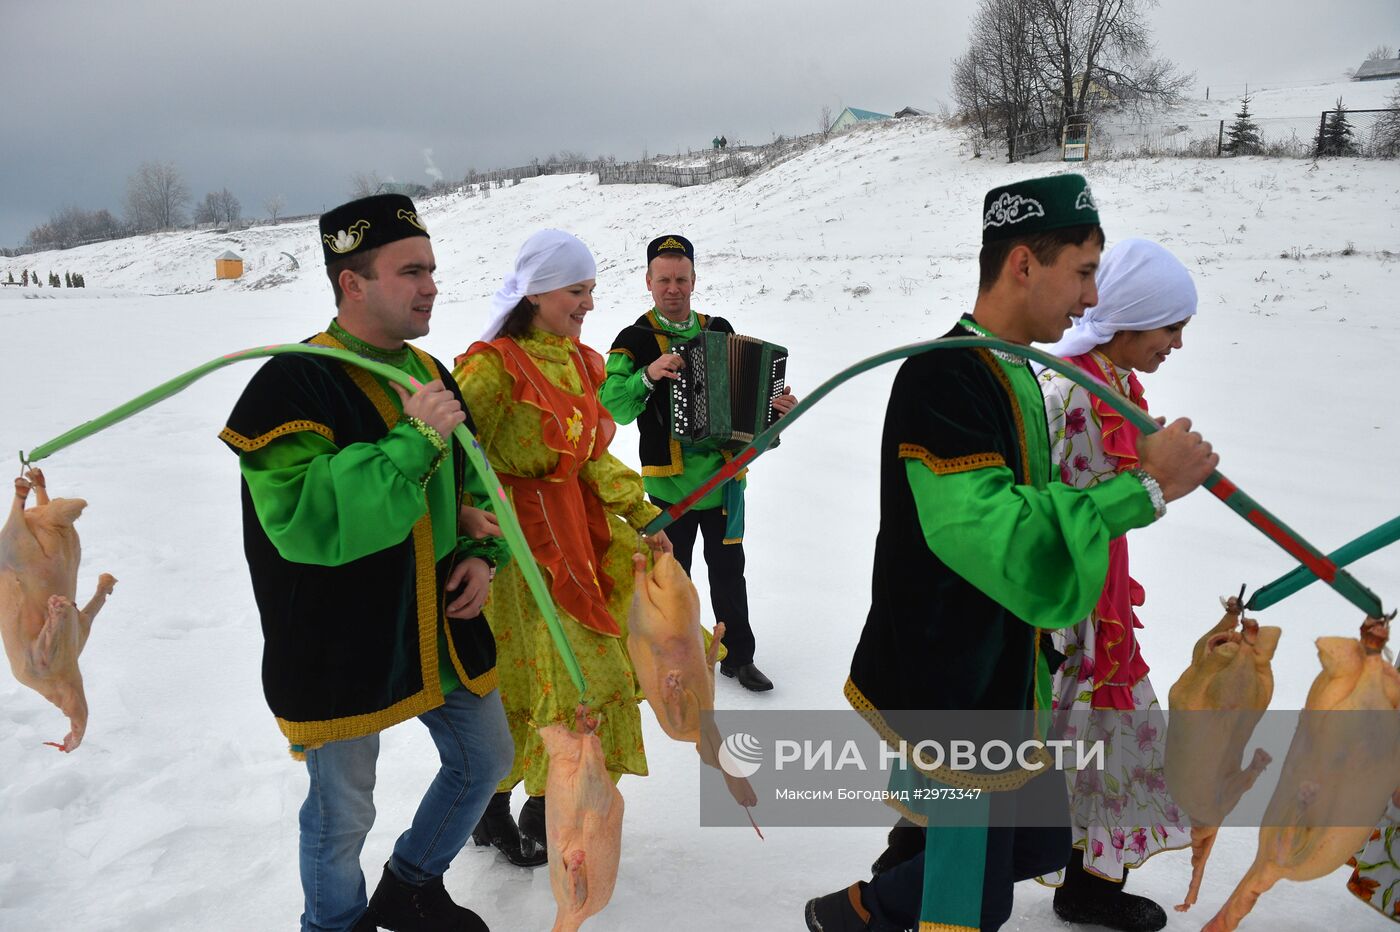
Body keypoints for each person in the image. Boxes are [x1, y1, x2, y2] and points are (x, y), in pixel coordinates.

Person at [802, 175, 1218, 932]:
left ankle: (862, 910)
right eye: (1084, 272)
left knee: (999, 851)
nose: (1093, 299)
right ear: (1025, 264)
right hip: (955, 676)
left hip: (1000, 668)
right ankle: (856, 913)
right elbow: (993, 535)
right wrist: (1144, 488)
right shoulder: (944, 374)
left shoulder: (1016, 371)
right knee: (971, 894)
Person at [220, 194, 513, 932]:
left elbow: (477, 480)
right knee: (344, 809)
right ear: (352, 283)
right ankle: (335, 924)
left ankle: (412, 883)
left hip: (436, 621)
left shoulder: (428, 369)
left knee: (486, 759)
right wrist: (412, 444)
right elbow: (304, 521)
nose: (431, 285)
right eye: (411, 271)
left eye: (433, 270)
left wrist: (481, 551)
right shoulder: (293, 382)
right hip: (342, 639)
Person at [453, 229, 672, 869]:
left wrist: (641, 511)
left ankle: (545, 805)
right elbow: (455, 462)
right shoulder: (491, 367)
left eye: (592, 291)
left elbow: (587, 459)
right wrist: (470, 533)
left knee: (590, 673)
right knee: (522, 681)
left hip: (579, 536)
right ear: (539, 292)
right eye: (578, 291)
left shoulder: (582, 362)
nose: (589, 305)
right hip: (513, 552)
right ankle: (493, 810)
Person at [1035, 238, 1199, 932]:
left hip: (1099, 605)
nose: (1178, 344)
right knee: (1062, 744)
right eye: (1170, 328)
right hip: (1065, 611)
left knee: (1111, 741)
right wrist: (1154, 482)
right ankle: (915, 871)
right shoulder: (1075, 389)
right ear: (1128, 319)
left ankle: (1092, 882)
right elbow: (1061, 511)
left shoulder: (1111, 382)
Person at [600, 234, 796, 692]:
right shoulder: (632, 340)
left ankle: (738, 658)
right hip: (672, 489)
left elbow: (745, 413)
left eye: (681, 279)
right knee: (674, 578)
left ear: (693, 280)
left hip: (727, 482)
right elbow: (611, 406)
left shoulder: (719, 330)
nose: (674, 288)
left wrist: (775, 416)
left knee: (730, 572)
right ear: (649, 282)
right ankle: (675, 662)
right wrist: (648, 375)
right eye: (664, 279)